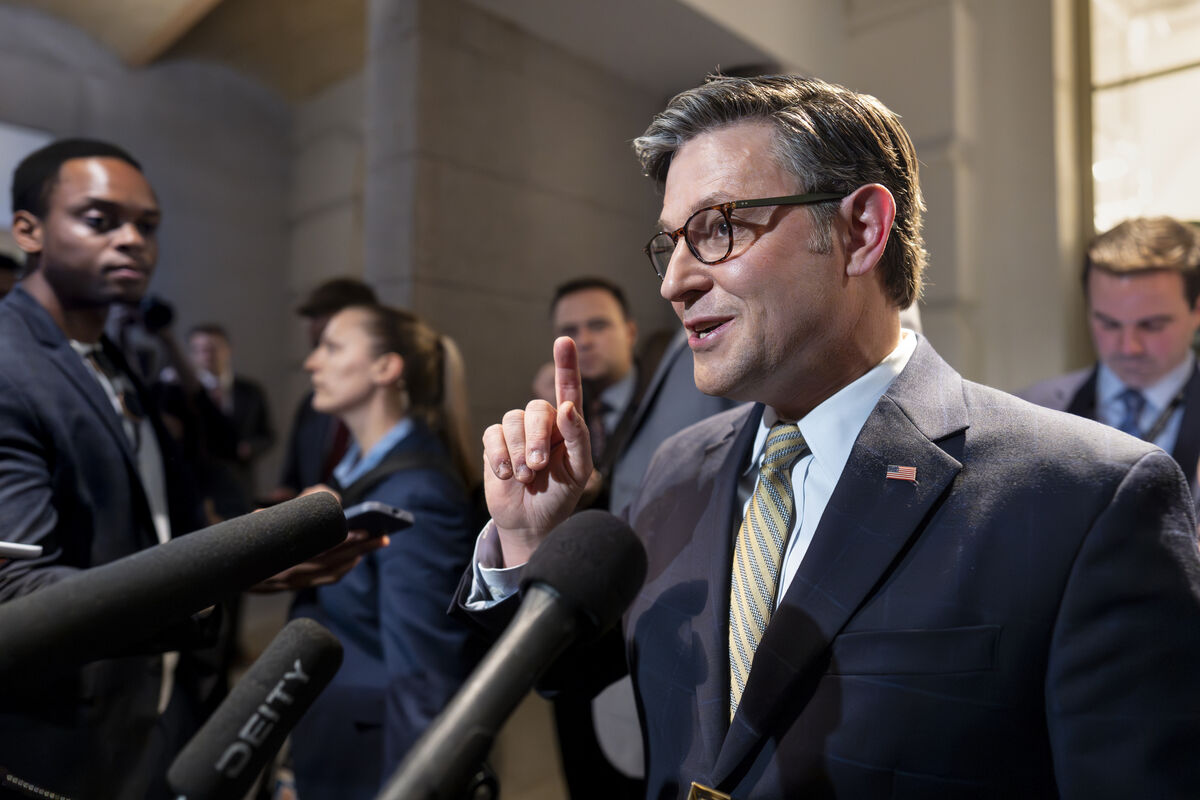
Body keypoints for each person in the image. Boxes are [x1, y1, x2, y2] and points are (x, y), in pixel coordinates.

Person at [464, 75, 1200, 798]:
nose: (674, 282)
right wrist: (531, 543)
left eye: (718, 228)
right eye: (669, 243)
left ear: (861, 231)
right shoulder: (679, 467)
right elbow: (590, 676)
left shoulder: (1087, 496)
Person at [0, 139, 218, 798]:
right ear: (28, 230)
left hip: (158, 708)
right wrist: (209, 585)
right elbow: (16, 585)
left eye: (147, 226)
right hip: (61, 730)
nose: (132, 241)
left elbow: (153, 521)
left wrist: (265, 550)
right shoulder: (8, 362)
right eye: (100, 220)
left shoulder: (112, 353)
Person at [288, 303, 484, 799]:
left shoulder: (416, 493)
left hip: (374, 765)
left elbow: (422, 679)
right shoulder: (354, 473)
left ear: (386, 367)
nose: (313, 362)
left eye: (332, 347)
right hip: (337, 742)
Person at [1020, 216, 1200, 500]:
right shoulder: (1027, 414)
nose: (1129, 347)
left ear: (1197, 310)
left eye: (1152, 325)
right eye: (1109, 323)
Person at [270, 276, 378, 503]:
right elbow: (292, 481)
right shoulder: (310, 408)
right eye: (318, 347)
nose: (309, 364)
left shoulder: (412, 472)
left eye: (331, 348)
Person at [185, 323, 275, 513]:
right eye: (201, 350)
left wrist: (250, 448)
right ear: (192, 354)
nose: (208, 355)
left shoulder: (251, 391)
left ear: (227, 349)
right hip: (196, 487)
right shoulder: (181, 395)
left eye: (213, 348)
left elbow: (267, 434)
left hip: (239, 484)